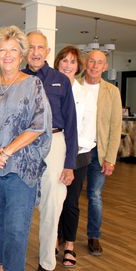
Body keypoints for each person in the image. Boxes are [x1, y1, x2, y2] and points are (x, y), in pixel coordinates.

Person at [0, 25, 52, 271]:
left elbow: (38, 125)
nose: (7, 55)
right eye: (2, 50)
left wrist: (5, 152)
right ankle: (2, 264)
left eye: (13, 50)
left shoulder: (34, 84)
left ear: (21, 54)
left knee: (17, 227)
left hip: (20, 166)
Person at [22, 31, 78, 271]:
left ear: (47, 51)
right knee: (19, 205)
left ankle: (46, 264)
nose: (35, 52)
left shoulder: (61, 80)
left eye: (40, 47)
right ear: (25, 50)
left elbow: (72, 124)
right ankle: (12, 260)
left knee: (52, 206)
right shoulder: (15, 78)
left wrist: (69, 164)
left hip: (55, 143)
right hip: (22, 145)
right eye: (31, 47)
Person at [79, 49, 122, 256]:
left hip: (99, 151)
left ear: (105, 67)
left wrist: (110, 159)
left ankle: (94, 236)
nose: (95, 66)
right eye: (92, 61)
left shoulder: (112, 91)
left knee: (94, 195)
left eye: (100, 63)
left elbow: (116, 127)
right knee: (68, 195)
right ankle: (63, 234)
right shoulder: (74, 84)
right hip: (77, 150)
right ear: (86, 63)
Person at [54, 45, 89, 267]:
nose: (68, 65)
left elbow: (85, 128)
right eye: (64, 60)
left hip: (78, 153)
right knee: (54, 200)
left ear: (78, 67)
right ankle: (53, 241)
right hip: (55, 151)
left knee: (71, 202)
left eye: (73, 62)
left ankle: (69, 246)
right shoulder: (50, 87)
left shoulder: (83, 94)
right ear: (57, 63)